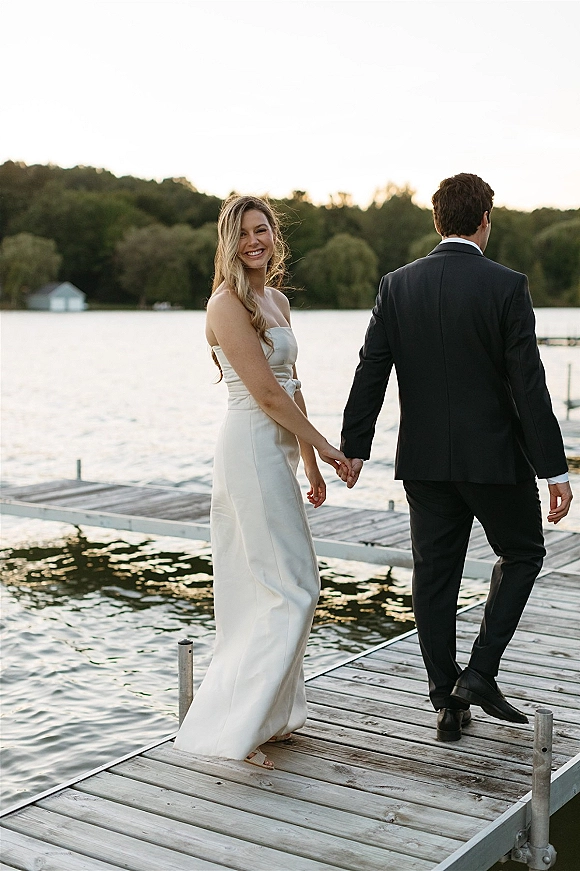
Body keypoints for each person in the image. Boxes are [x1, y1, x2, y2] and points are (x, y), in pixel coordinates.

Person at [339, 173, 572, 742]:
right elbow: (529, 385)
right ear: (485, 221)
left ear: (436, 220)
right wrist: (554, 469)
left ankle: (447, 698)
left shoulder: (395, 286)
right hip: (494, 461)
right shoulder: (507, 286)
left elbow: (372, 369)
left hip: (422, 462)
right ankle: (480, 673)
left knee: (434, 576)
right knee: (521, 553)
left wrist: (353, 450)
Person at [174, 195, 351, 768]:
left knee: (267, 588)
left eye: (264, 229)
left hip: (278, 450)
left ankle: (269, 718)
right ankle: (233, 734)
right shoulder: (225, 305)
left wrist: (310, 460)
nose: (256, 240)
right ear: (230, 240)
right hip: (249, 448)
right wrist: (328, 444)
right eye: (244, 232)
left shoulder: (275, 300)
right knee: (293, 587)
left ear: (275, 234)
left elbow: (293, 385)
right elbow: (267, 395)